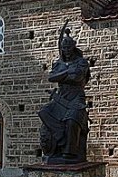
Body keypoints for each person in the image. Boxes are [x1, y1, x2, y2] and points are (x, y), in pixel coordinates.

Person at [38, 25, 90, 164]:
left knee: (72, 121)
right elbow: (51, 78)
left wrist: (64, 75)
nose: (66, 51)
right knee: (44, 112)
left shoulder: (82, 62)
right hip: (61, 97)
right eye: (64, 48)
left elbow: (78, 78)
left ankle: (70, 152)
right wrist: (68, 72)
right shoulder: (58, 64)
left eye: (68, 47)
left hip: (76, 98)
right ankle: (60, 134)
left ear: (73, 47)